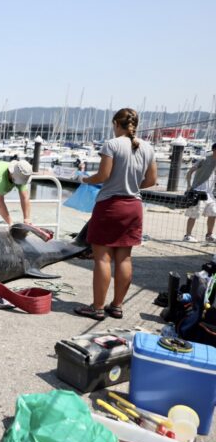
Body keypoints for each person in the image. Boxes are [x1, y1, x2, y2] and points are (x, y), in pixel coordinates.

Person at [74, 108, 157, 320]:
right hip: (134, 207)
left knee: (102, 258)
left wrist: (84, 179)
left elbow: (103, 175)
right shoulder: (148, 148)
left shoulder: (112, 144)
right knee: (124, 258)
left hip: (110, 206)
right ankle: (117, 306)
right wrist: (131, 184)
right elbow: (151, 181)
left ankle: (98, 307)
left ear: (115, 124)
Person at [183, 143, 216, 243]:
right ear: (214, 150)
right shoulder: (205, 159)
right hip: (198, 191)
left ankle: (209, 235)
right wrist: (189, 186)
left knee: (214, 213)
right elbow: (190, 172)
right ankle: (187, 235)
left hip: (210, 194)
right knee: (193, 214)